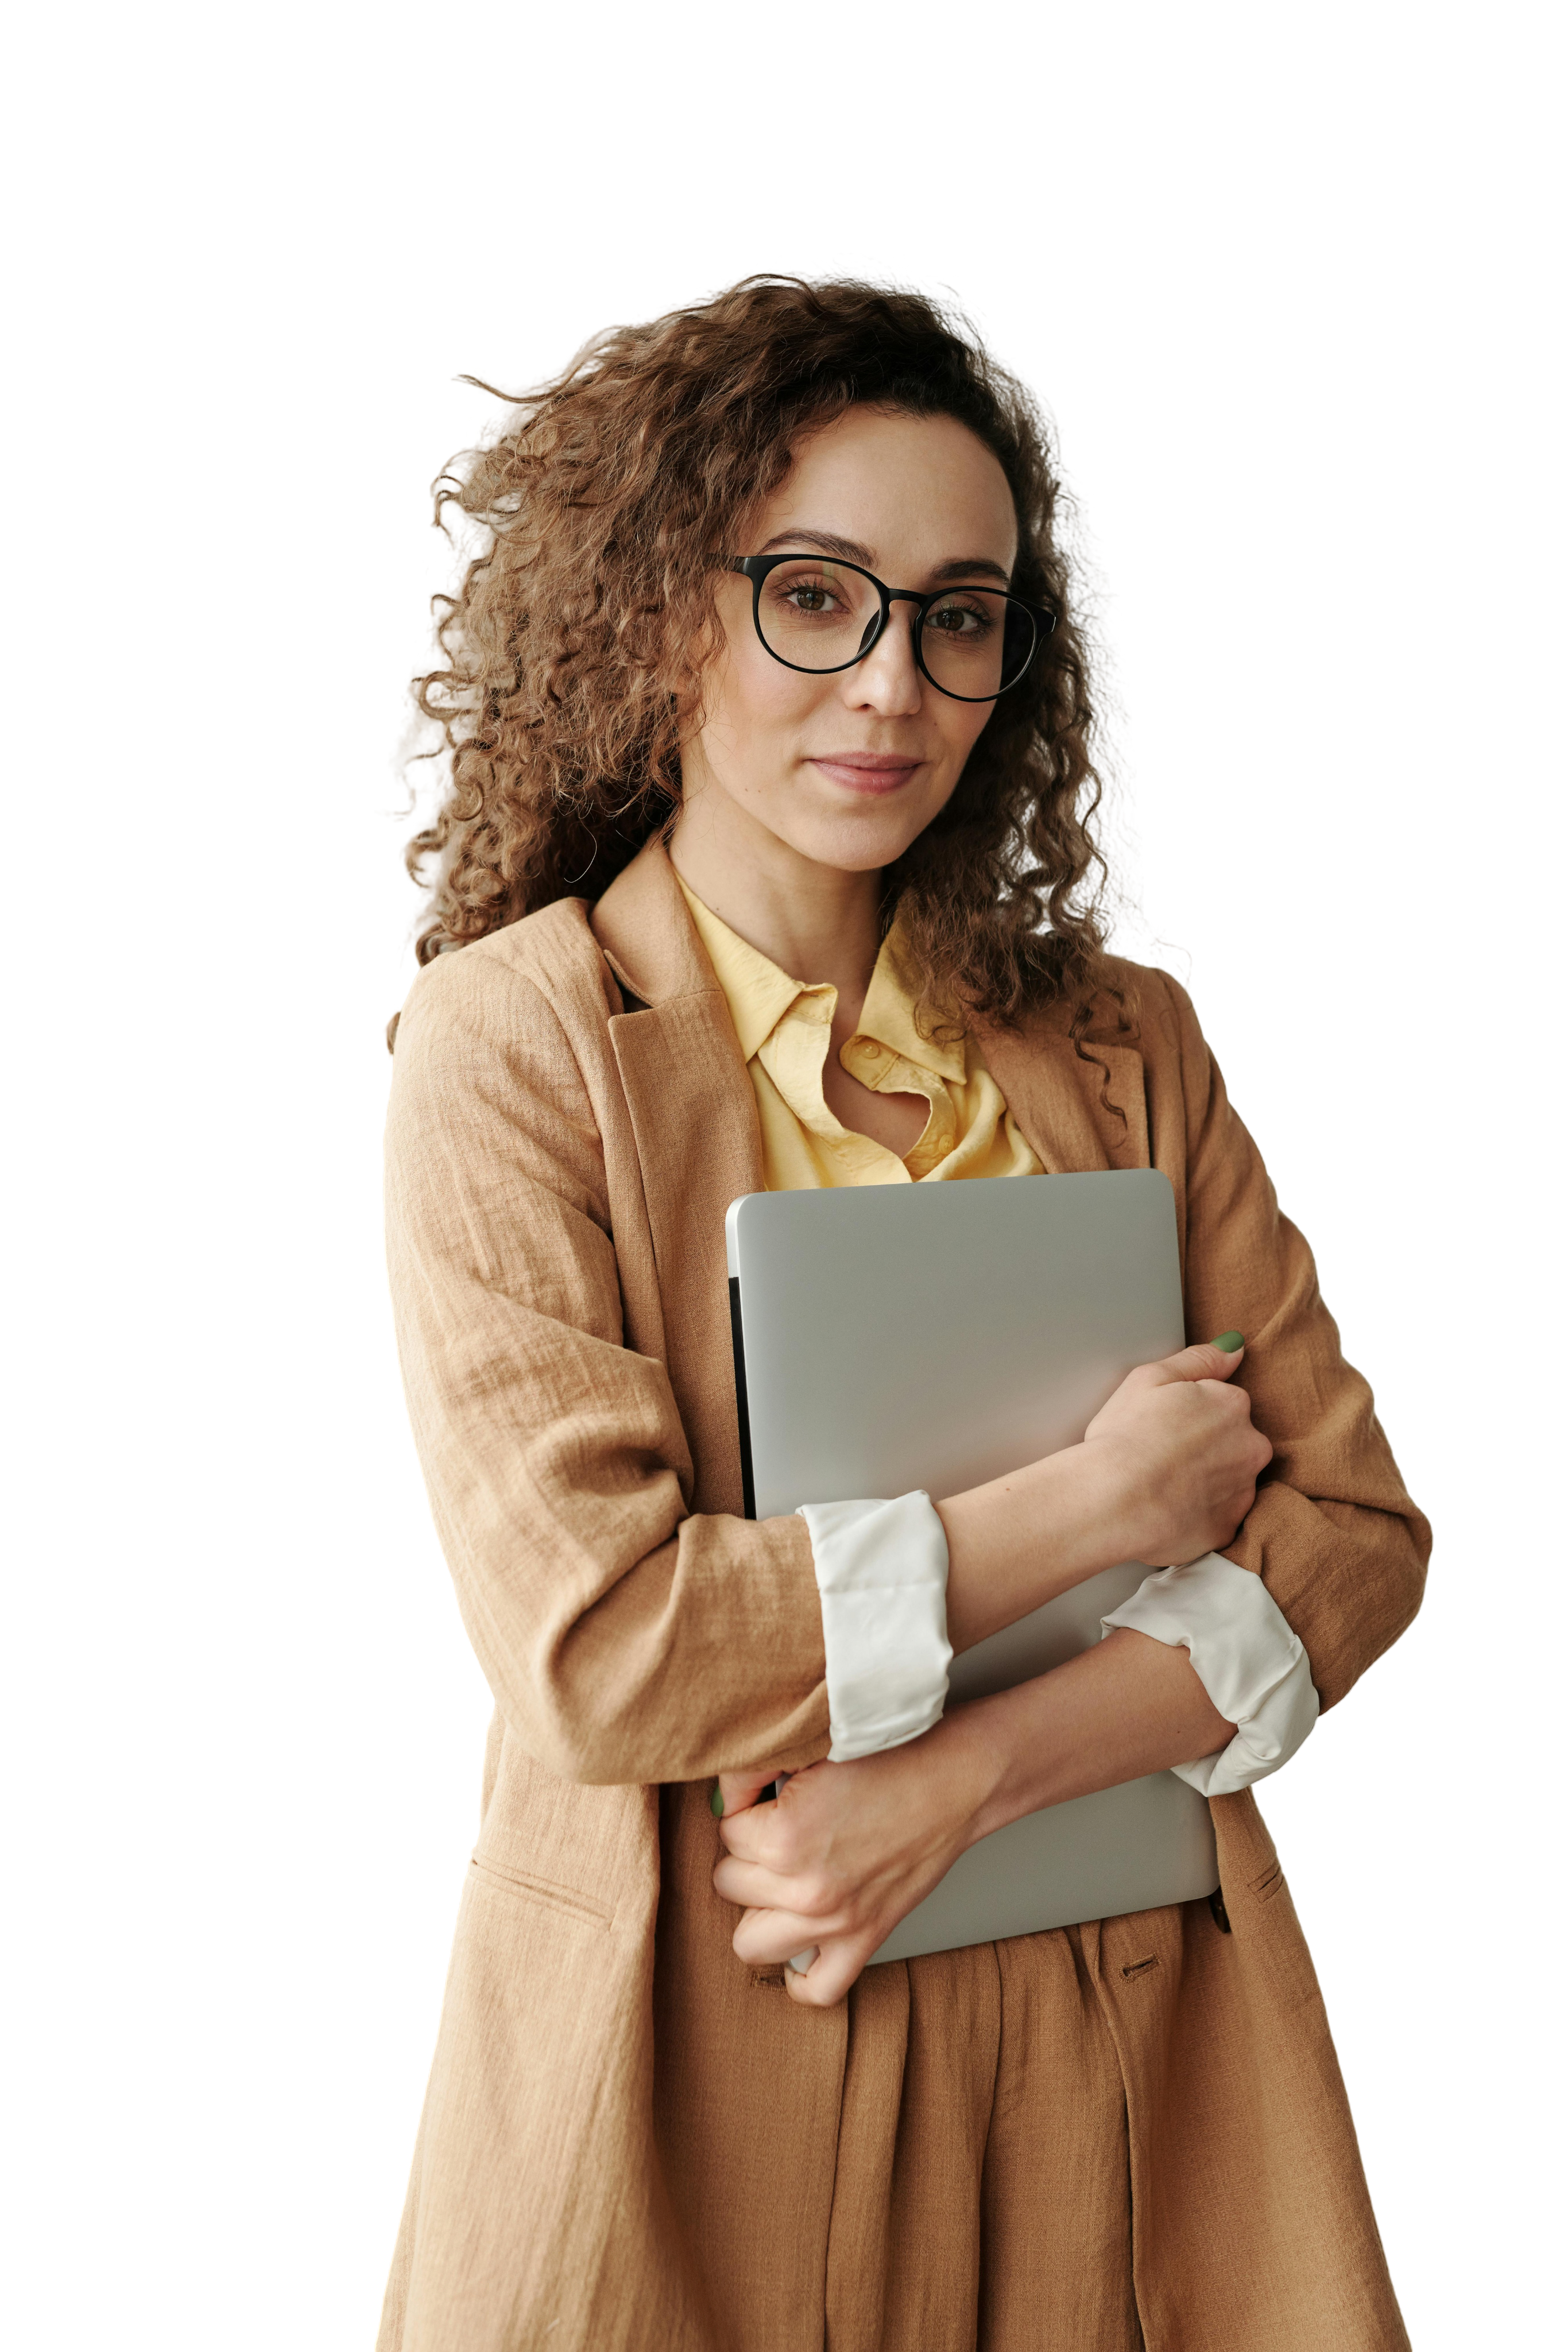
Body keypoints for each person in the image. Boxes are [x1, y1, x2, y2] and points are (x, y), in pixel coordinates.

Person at [376, 267, 1429, 2352]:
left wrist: (967, 1782)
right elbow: (605, 1648)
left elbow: (1360, 1539)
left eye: (958, 615)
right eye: (817, 594)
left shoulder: (1121, 1039)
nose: (892, 687)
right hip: (706, 2032)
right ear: (671, 603)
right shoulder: (516, 1046)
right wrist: (1103, 1506)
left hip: (1136, 2030)